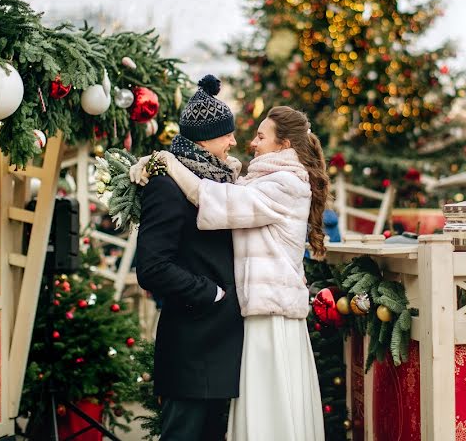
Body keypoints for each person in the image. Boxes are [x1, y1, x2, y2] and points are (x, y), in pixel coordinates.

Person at [133, 105, 328, 441]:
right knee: (257, 410)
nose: (250, 142)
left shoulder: (285, 183)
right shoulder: (266, 180)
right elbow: (235, 191)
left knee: (270, 411)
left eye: (261, 136)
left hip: (271, 315)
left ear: (284, 146)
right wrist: (149, 164)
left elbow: (217, 200)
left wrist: (167, 162)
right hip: (253, 316)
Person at [134, 75, 244, 441]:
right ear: (205, 138)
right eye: (227, 134)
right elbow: (152, 266)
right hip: (193, 344)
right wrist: (210, 293)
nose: (233, 141)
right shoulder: (166, 185)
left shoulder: (219, 181)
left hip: (220, 343)